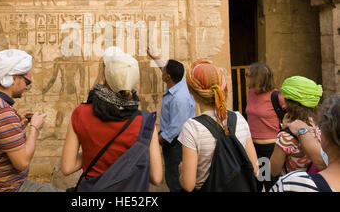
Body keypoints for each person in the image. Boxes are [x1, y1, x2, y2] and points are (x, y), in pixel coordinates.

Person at [61, 47, 163, 189]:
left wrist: (95, 150)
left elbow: (67, 167)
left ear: (106, 76)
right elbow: (156, 178)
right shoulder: (145, 123)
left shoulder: (80, 113)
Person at [0, 49, 62, 192]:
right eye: (27, 81)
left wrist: (18, 125)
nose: (27, 87)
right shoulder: (3, 113)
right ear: (13, 78)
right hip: (8, 188)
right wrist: (34, 128)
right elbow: (22, 162)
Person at [178, 60, 259, 192]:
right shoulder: (239, 119)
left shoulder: (192, 128)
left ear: (192, 92)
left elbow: (188, 185)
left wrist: (182, 172)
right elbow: (256, 169)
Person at [147, 48, 196, 192]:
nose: (162, 71)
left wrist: (156, 140)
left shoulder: (179, 98)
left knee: (176, 180)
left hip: (176, 142)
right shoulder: (178, 82)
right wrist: (155, 57)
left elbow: (175, 128)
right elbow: (164, 67)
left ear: (168, 76)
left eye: (164, 71)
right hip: (172, 138)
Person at [270, 93, 340, 192]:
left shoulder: (292, 184)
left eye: (287, 102)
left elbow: (273, 170)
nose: (283, 106)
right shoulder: (315, 128)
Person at [269, 76, 323, 178]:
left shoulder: (285, 137)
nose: (283, 106)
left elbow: (273, 171)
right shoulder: (318, 126)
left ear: (290, 105)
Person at [244, 62, 285, 191]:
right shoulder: (251, 93)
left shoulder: (276, 96)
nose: (246, 77)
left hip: (269, 149)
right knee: (254, 183)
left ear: (257, 78)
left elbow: (291, 114)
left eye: (248, 74)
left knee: (269, 184)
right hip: (252, 147)